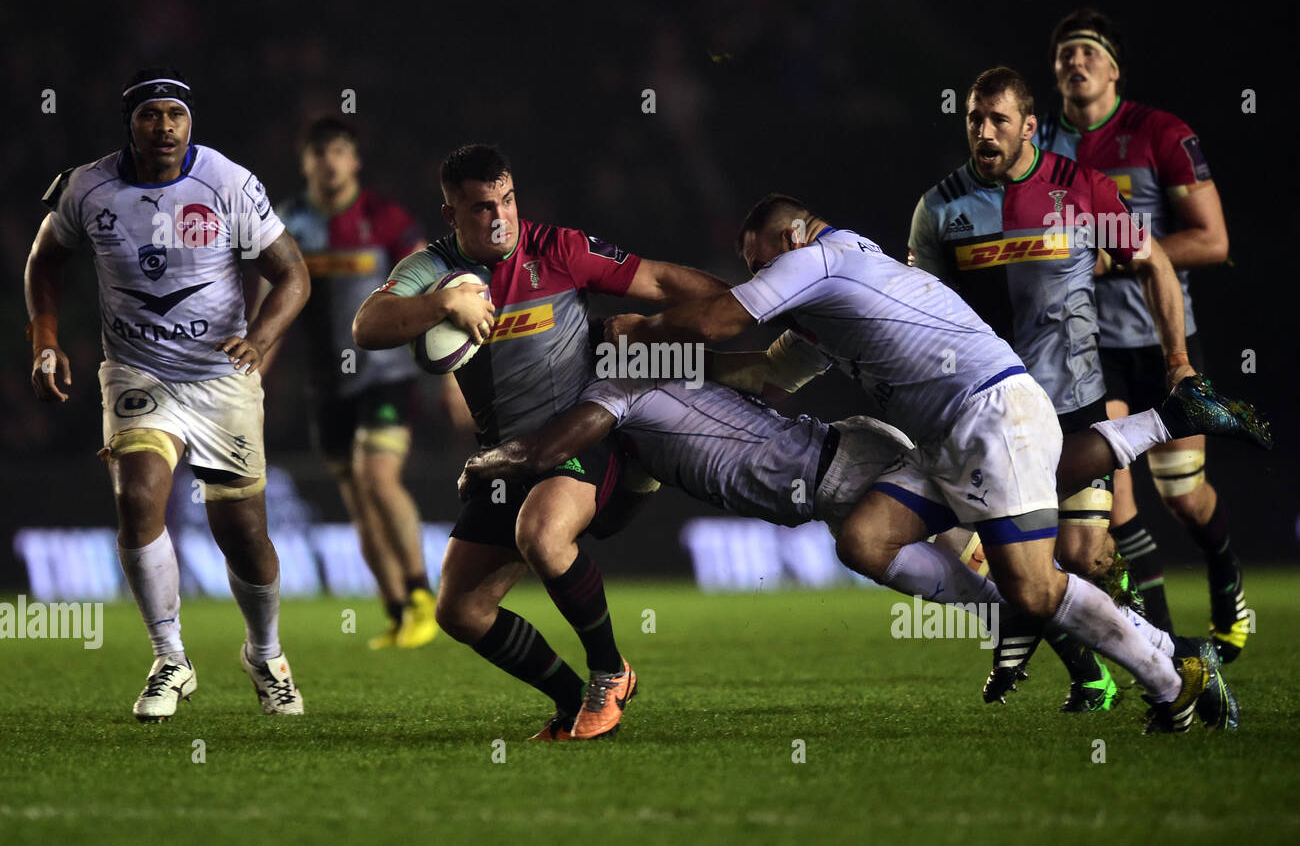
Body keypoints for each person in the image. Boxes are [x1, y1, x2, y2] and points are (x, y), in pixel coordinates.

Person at [606, 194, 1237, 733]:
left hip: (990, 412)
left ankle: (1173, 668)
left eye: (758, 263)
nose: (756, 277)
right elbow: (769, 376)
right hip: (949, 435)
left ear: (791, 237)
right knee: (865, 540)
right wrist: (668, 366)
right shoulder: (833, 290)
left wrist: (642, 332)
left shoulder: (818, 259)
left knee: (1040, 586)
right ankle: (1012, 609)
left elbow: (721, 318)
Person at [459, 364, 1267, 733]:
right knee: (1022, 540)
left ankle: (1170, 649)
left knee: (1019, 572)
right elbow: (616, 513)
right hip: (846, 465)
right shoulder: (640, 421)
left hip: (853, 472)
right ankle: (1152, 646)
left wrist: (497, 455)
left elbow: (548, 450)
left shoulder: (615, 391)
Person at [353, 143, 730, 739]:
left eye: (507, 200)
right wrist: (442, 302)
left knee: (543, 536)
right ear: (451, 215)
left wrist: (753, 305)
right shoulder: (432, 268)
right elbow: (368, 326)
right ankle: (569, 699)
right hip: (503, 459)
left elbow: (658, 278)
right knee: (460, 611)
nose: (500, 217)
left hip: (577, 433)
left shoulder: (558, 248)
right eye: (481, 207)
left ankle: (611, 671)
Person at [25, 68, 311, 720]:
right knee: (138, 494)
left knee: (242, 531)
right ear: (130, 124)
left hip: (220, 377)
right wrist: (45, 339)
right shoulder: (87, 188)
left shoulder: (228, 183)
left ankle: (265, 653)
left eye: (175, 115)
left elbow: (291, 273)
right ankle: (170, 659)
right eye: (151, 114)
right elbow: (45, 259)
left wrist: (261, 338)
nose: (164, 126)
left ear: (190, 124)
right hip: (137, 373)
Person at [908, 66, 1190, 711]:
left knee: (1085, 556)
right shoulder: (941, 208)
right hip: (989, 412)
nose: (983, 131)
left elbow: (1153, 261)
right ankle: (1098, 674)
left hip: (1073, 402)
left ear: (1029, 126)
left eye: (997, 120)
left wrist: (1178, 362)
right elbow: (918, 307)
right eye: (974, 119)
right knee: (1014, 567)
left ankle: (1154, 653)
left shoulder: (1081, 188)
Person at [1036, 9, 1244, 661]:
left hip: (1161, 339)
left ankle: (1226, 575)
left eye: (1088, 53)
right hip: (1087, 350)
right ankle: (1163, 642)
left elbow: (1214, 240)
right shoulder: (1038, 143)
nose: (1075, 63)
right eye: (1066, 53)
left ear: (1114, 69)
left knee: (1182, 497)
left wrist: (1121, 252)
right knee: (1114, 501)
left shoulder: (1159, 132)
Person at [274, 117, 453, 650]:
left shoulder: (386, 219)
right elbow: (272, 300)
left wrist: (449, 375)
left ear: (355, 161)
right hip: (323, 384)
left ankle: (424, 594)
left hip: (386, 375)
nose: (328, 162)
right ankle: (399, 610)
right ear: (305, 161)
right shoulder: (289, 223)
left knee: (376, 476)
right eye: (318, 153)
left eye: (339, 151)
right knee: (355, 499)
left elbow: (432, 285)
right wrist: (258, 362)